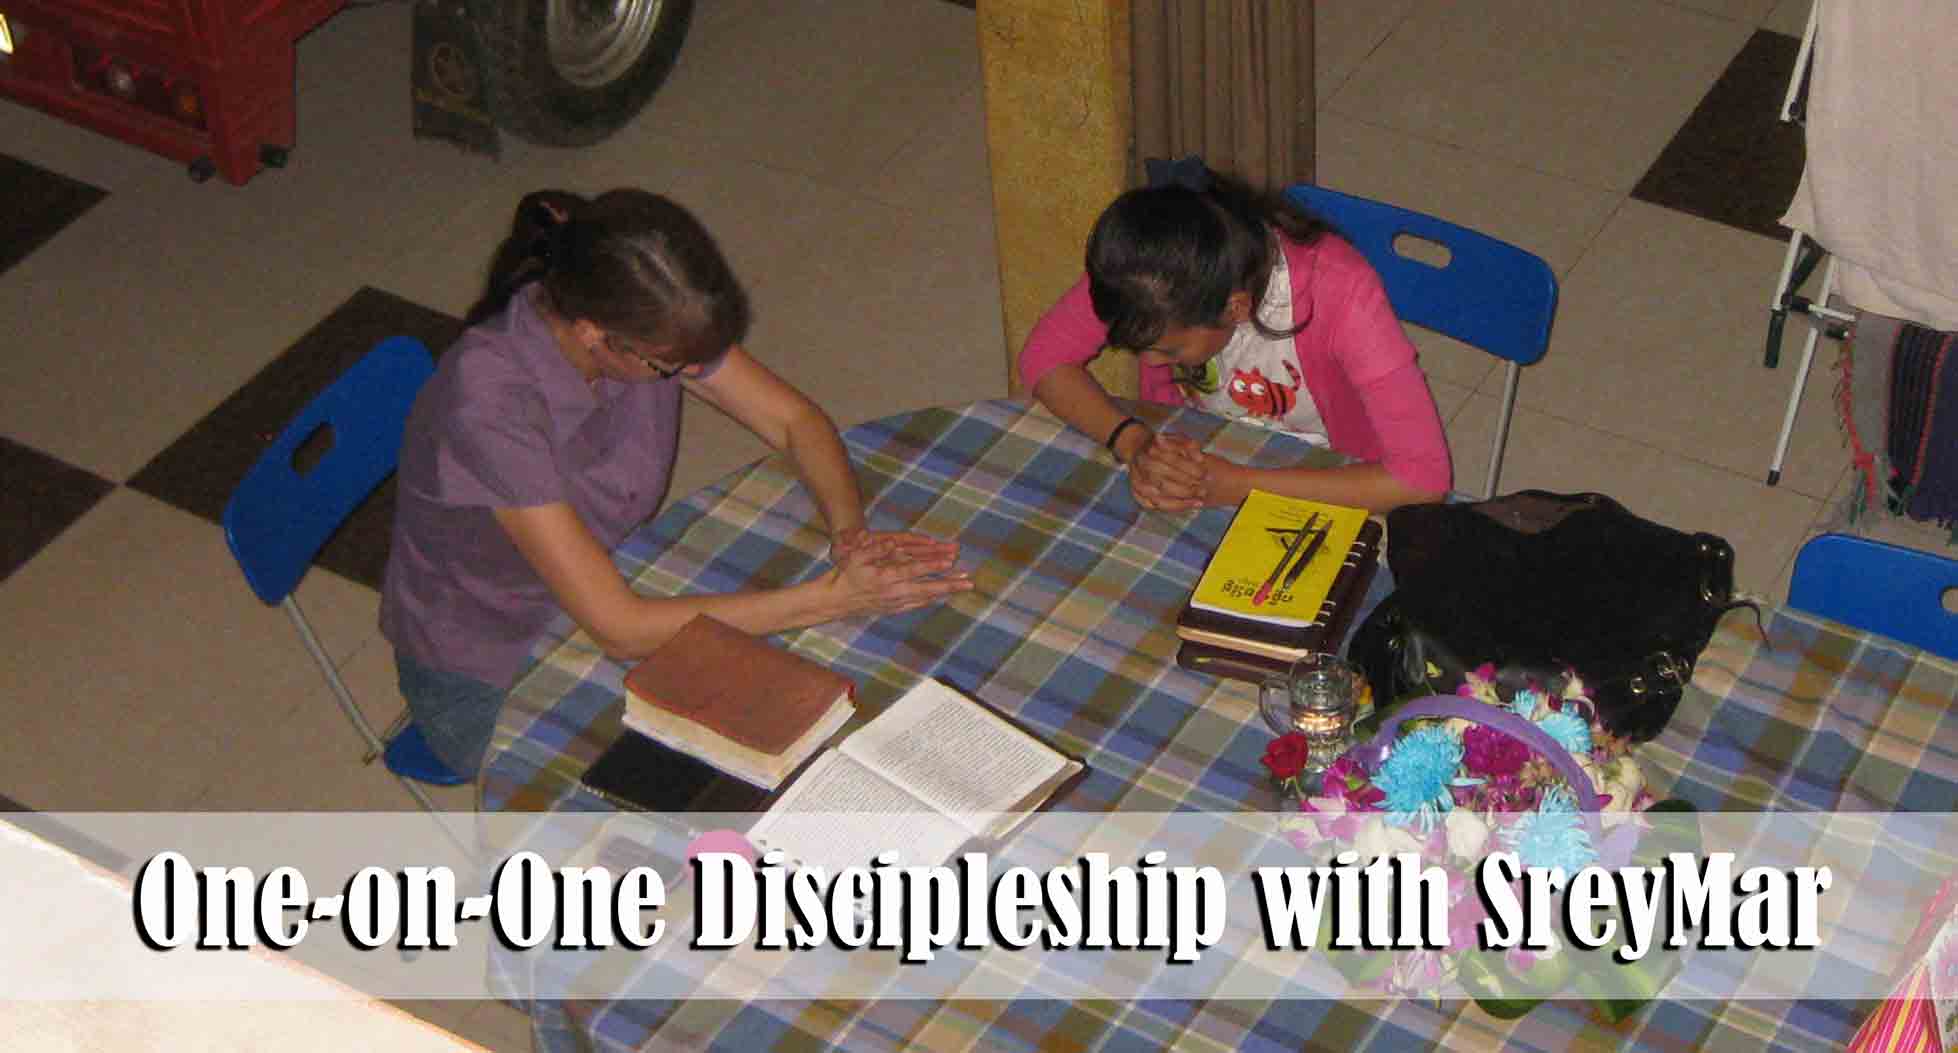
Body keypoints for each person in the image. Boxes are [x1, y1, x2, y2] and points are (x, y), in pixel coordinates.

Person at [379, 188, 972, 778]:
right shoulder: (489, 409)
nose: (692, 373)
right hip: (490, 669)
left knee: (824, 694)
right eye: (670, 367)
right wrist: (832, 598)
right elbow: (620, 629)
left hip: (610, 584)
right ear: (591, 334)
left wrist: (850, 536)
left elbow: (795, 423)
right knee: (720, 781)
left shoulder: (643, 323)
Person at [1018, 164, 1453, 513]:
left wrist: (1242, 487)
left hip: (1335, 480)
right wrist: (1133, 442)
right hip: (1211, 455)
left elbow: (1422, 479)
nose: (1149, 365)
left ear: (1236, 308)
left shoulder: (1343, 294)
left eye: (1169, 350)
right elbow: (1044, 359)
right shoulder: (1143, 273)